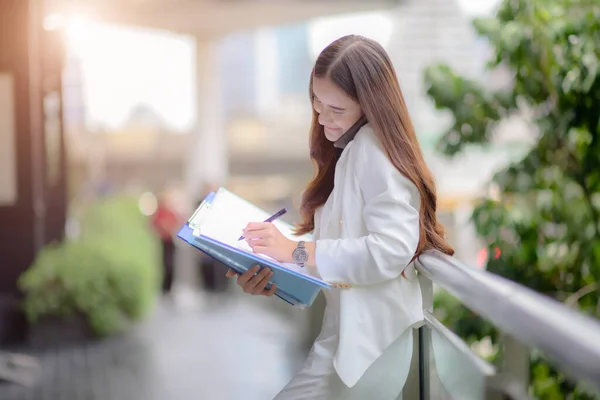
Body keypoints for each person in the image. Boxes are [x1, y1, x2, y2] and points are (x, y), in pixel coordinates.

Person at [226, 34, 454, 399]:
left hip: (367, 353)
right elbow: (342, 247)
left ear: (370, 105)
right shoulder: (354, 150)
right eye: (317, 102)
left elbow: (390, 249)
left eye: (337, 109)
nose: (323, 117)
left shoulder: (373, 151)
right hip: (349, 345)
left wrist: (295, 253)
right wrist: (275, 265)